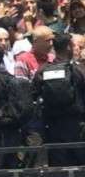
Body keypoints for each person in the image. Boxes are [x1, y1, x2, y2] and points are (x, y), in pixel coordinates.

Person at [33, 32, 85, 166]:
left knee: (59, 169)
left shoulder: (42, 70)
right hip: (77, 127)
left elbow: (33, 95)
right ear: (69, 47)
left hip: (52, 127)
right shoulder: (78, 70)